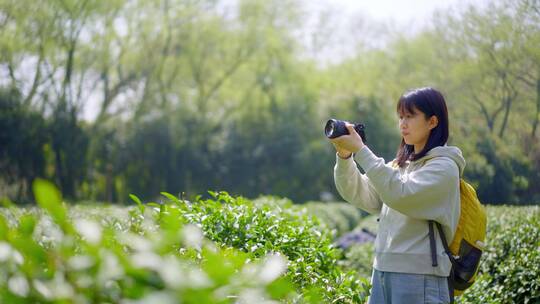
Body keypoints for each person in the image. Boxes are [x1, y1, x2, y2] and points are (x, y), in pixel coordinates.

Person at [329, 87, 465, 304]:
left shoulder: (445, 167)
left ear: (432, 122)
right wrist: (345, 156)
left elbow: (401, 194)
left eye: (410, 116)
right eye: (401, 116)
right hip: (383, 269)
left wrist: (362, 150)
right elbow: (360, 193)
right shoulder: (400, 166)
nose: (403, 123)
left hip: (421, 275)